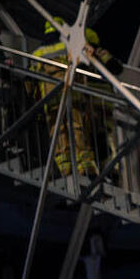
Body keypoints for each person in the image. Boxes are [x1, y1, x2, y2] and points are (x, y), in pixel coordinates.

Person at [31, 17, 123, 178]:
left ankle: (66, 169)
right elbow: (115, 67)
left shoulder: (38, 52)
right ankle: (96, 168)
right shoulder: (73, 46)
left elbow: (31, 79)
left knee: (59, 134)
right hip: (81, 97)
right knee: (83, 131)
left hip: (51, 100)